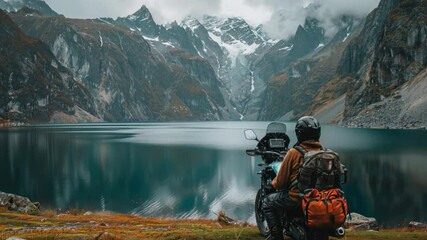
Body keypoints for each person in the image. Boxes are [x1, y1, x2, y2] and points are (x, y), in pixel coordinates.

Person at [262, 116, 322, 240]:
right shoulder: (324, 152)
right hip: (321, 198)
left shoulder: (294, 152)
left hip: (297, 198)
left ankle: (276, 236)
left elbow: (281, 182)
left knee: (267, 202)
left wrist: (271, 186)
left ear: (299, 133)